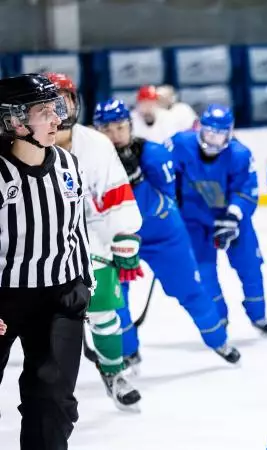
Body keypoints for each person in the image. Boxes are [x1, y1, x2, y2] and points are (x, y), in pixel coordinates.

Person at [93, 99, 241, 368]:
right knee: (114, 300)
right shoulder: (89, 161)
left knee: (189, 290)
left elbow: (166, 204)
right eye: (106, 129)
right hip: (112, 240)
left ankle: (218, 339)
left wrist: (137, 183)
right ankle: (128, 352)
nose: (114, 136)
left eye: (119, 128)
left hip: (163, 237)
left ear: (130, 125)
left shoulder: (155, 155)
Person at [0, 73, 95, 450]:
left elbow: (77, 228)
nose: (58, 118)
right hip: (4, 298)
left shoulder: (69, 166)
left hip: (59, 295)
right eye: (45, 111)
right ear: (15, 120)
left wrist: (83, 283)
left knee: (53, 402)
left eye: (57, 109)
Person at [45, 72, 143, 410]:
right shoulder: (18, 144)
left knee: (103, 309)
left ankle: (114, 371)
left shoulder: (96, 144)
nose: (58, 109)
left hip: (90, 235)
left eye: (64, 100)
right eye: (49, 103)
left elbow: (117, 195)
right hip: (37, 240)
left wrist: (125, 232)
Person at [168, 104, 267, 333]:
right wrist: (169, 197)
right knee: (204, 271)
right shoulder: (180, 144)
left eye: (219, 133)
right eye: (209, 131)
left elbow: (247, 190)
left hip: (232, 221)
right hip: (195, 220)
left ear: (229, 132)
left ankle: (258, 315)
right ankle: (220, 318)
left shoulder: (240, 154)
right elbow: (164, 171)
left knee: (250, 267)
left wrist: (233, 215)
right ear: (200, 128)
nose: (213, 138)